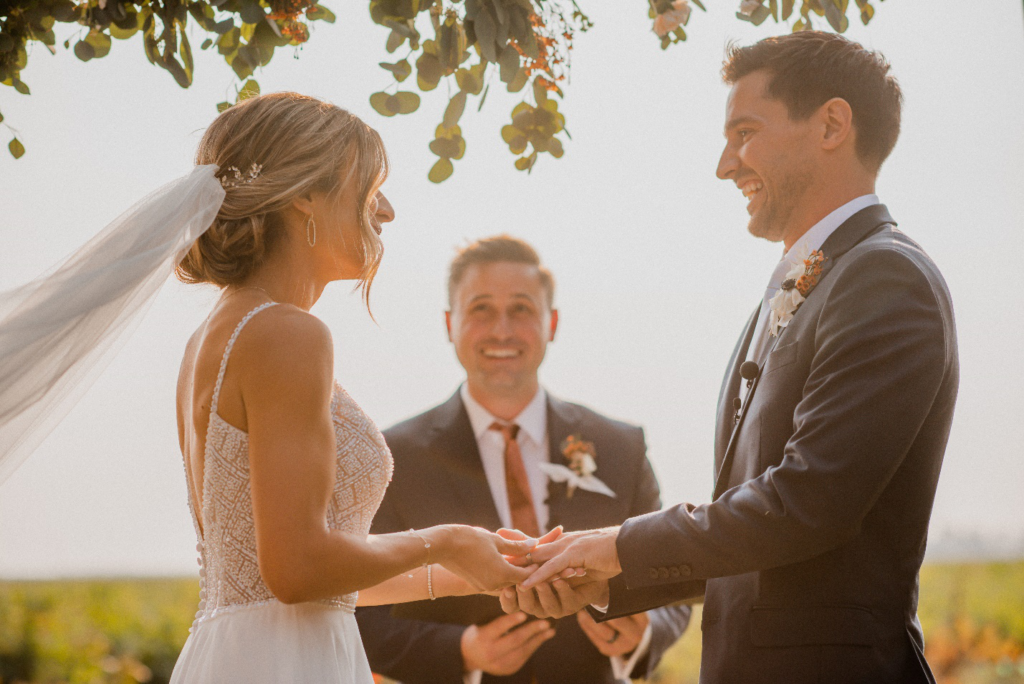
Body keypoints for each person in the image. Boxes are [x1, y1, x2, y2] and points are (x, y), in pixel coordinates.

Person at [0, 93, 538, 683]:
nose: (386, 211)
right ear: (306, 195)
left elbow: (287, 581)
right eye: (370, 185)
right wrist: (447, 538)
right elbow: (298, 569)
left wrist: (479, 566)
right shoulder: (289, 334)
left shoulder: (218, 335)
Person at [503, 32, 959, 684]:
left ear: (831, 124)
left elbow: (808, 505)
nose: (725, 164)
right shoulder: (796, 289)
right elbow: (766, 544)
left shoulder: (887, 277)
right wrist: (610, 582)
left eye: (744, 133)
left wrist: (615, 545)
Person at [356, 236, 691, 683]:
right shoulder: (394, 457)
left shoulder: (620, 448)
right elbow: (354, 603)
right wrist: (462, 651)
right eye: (480, 310)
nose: (502, 330)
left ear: (551, 322)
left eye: (521, 309)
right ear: (449, 324)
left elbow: (667, 574)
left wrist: (645, 634)